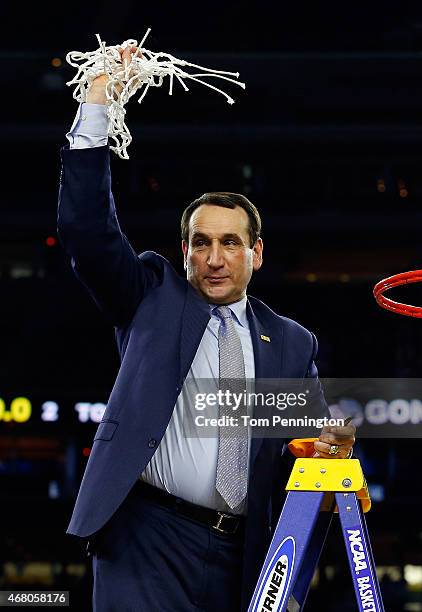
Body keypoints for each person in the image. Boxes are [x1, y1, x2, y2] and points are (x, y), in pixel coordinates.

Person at [58, 45, 356, 612]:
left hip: (242, 555)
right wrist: (97, 103)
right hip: (145, 537)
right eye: (201, 242)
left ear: (257, 254)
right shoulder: (152, 296)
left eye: (230, 243)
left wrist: (326, 445)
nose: (214, 257)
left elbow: (303, 447)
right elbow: (86, 231)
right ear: (185, 251)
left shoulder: (292, 342)